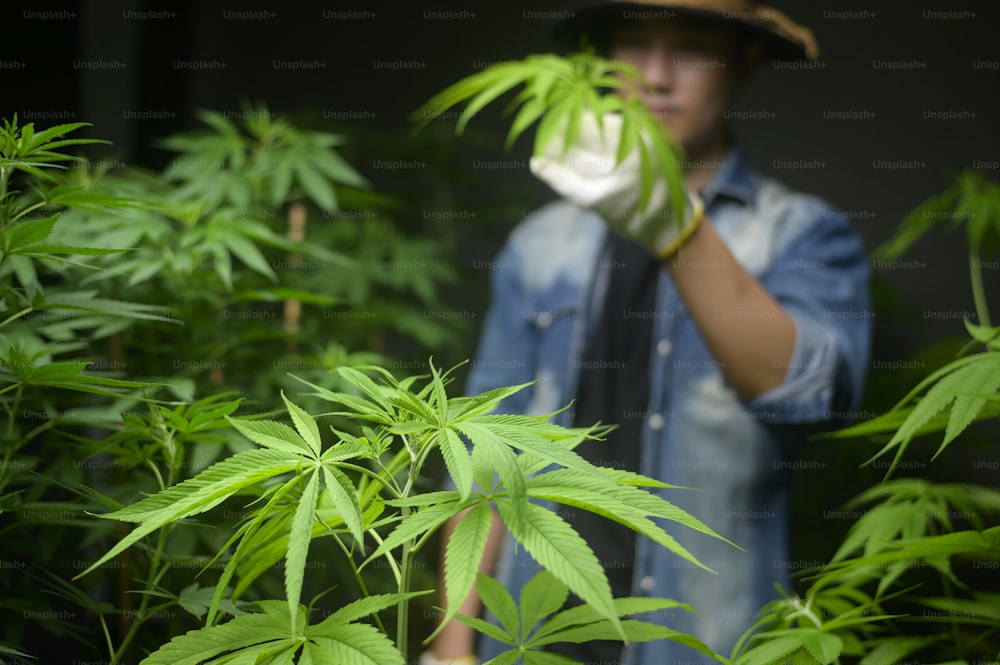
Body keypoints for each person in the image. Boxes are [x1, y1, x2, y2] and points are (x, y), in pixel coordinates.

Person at [423, 1, 871, 664]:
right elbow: (485, 456)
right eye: (634, 44)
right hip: (531, 636)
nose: (657, 76)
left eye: (691, 47)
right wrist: (452, 646)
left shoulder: (799, 233)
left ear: (745, 60)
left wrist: (676, 228)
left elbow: (806, 392)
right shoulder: (540, 245)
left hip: (704, 641)